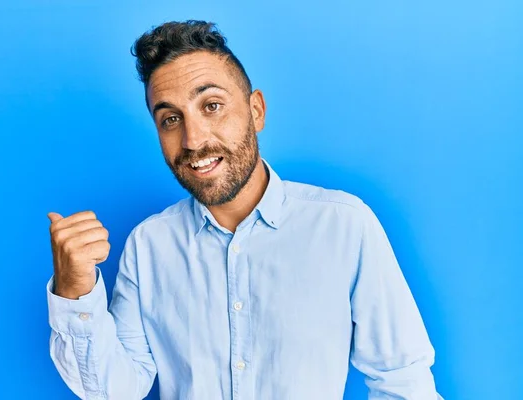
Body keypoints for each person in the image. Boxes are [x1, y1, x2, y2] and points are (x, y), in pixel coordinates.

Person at [46, 20, 443, 400]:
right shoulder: (148, 245)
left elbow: (403, 382)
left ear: (256, 111)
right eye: (170, 119)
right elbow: (114, 391)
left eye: (212, 105)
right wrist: (74, 291)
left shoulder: (343, 225)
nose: (193, 139)